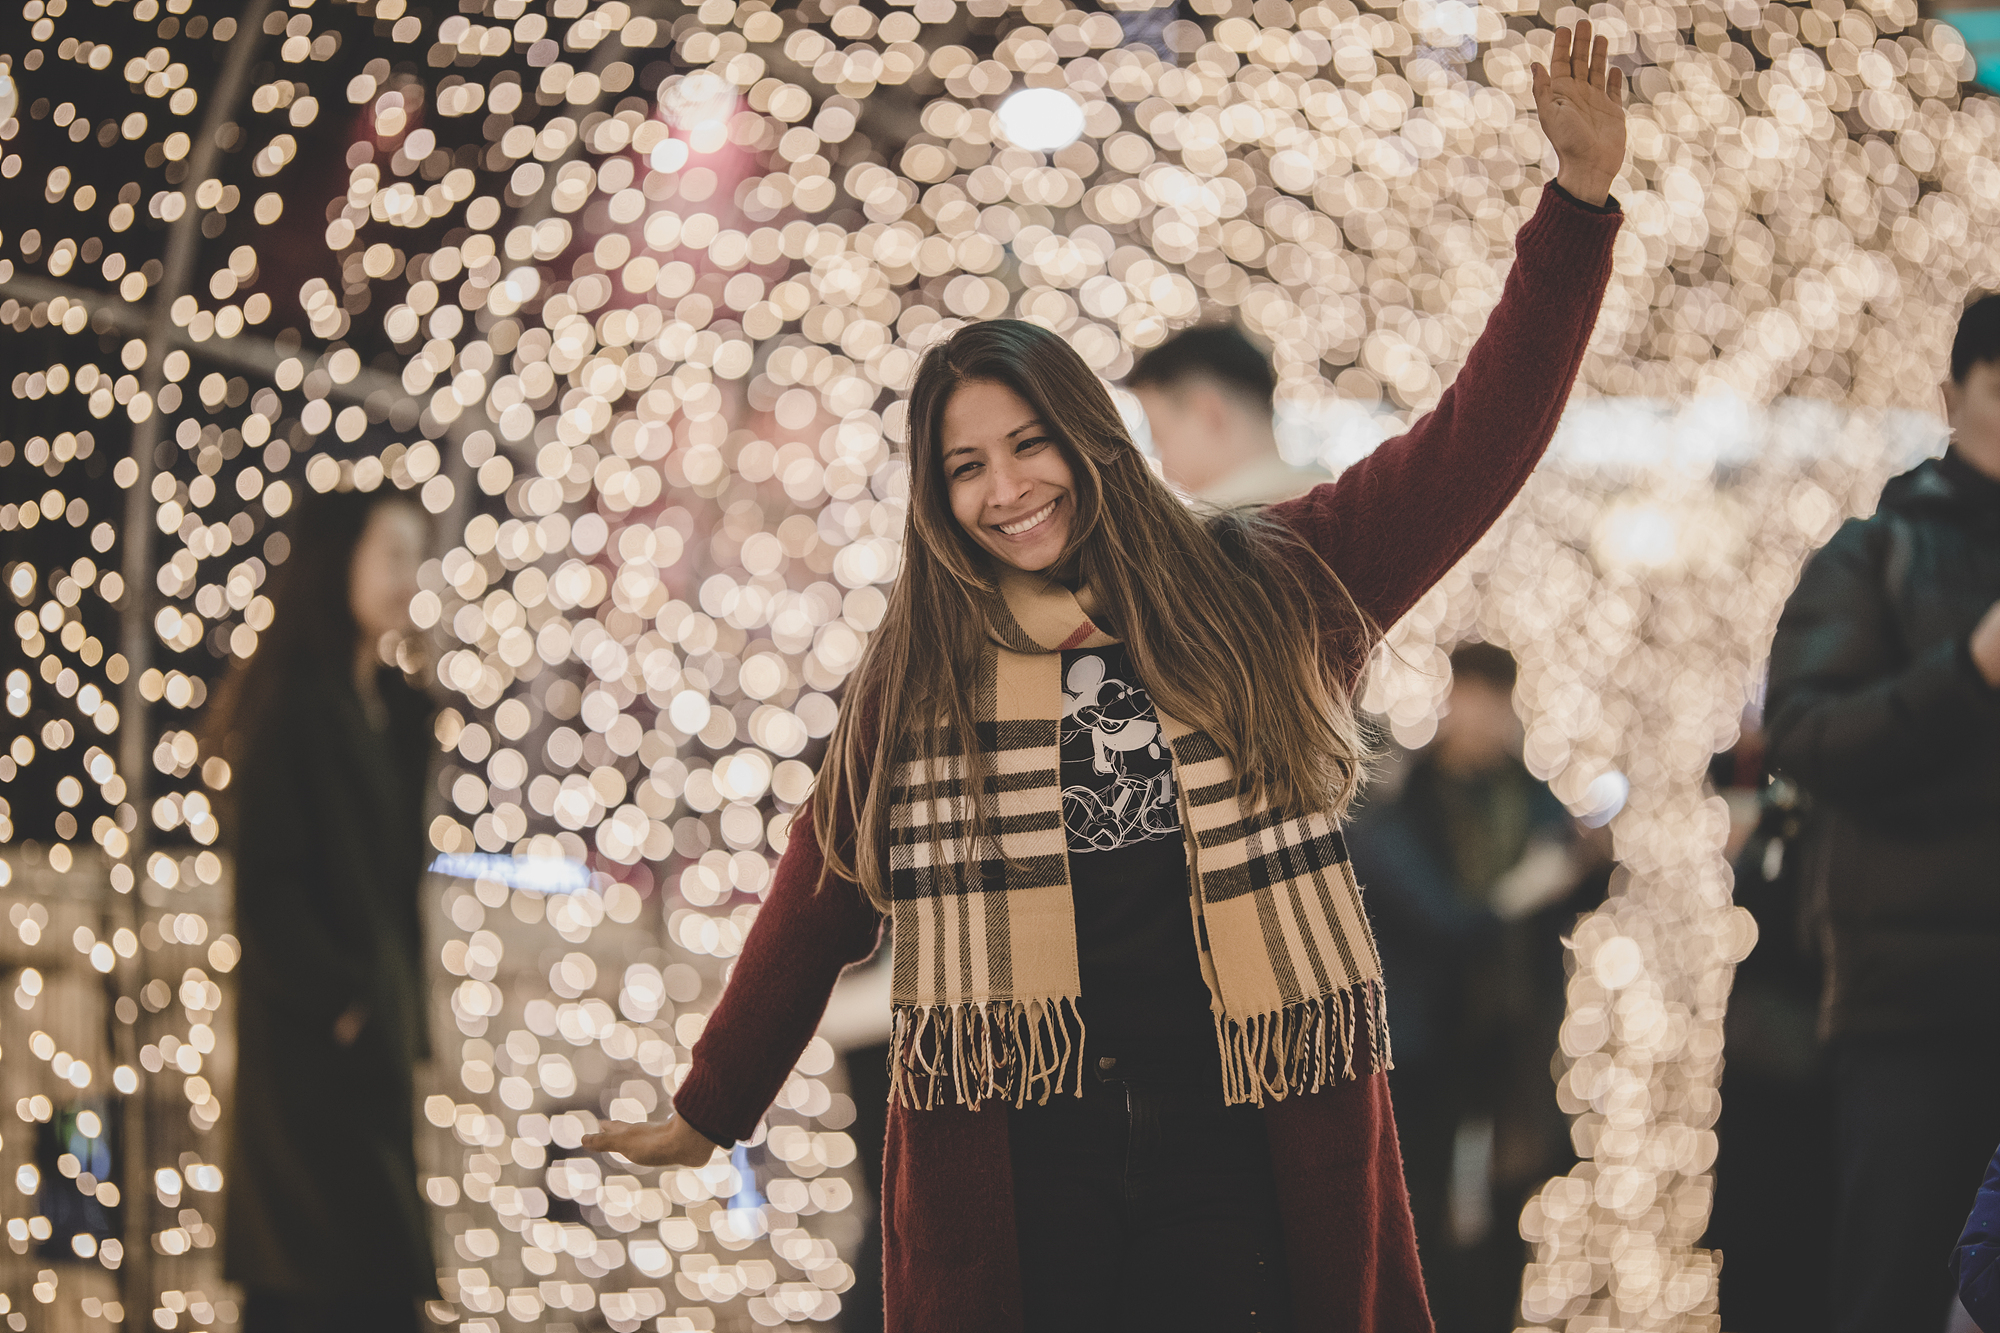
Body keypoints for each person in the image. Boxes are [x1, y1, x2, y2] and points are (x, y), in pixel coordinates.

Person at [586, 23, 1626, 1331]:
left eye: (1027, 445)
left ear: (1086, 440)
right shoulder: (921, 668)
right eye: (966, 467)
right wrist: (709, 1106)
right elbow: (822, 882)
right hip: (1022, 1175)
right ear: (936, 494)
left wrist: (1575, 211)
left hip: (1238, 1159)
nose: (1005, 488)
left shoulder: (1262, 587)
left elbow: (1476, 445)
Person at [1764, 292, 2000, 1333]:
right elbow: (1806, 737)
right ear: (1952, 398)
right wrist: (1970, 673)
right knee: (1901, 1290)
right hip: (1917, 1011)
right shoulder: (1874, 553)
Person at [206, 486, 438, 1333]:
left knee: (370, 1283)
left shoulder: (394, 710)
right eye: (390, 554)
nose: (407, 576)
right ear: (335, 559)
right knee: (316, 1285)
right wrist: (342, 997)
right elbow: (265, 889)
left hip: (367, 1047)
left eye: (414, 555)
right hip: (310, 1059)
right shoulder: (293, 707)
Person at [1345, 644, 1599, 1333]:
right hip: (1429, 1042)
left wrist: (1587, 861)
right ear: (1452, 699)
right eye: (1475, 699)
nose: (1485, 720)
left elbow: (1583, 885)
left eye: (1498, 704)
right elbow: (1437, 916)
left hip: (1509, 1042)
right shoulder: (1402, 796)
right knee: (1422, 1212)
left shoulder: (1531, 797)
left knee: (1499, 1216)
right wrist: (1520, 893)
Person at [1126, 325, 1331, 505]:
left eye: (1159, 438)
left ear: (1210, 413)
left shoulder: (1200, 537)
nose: (1162, 465)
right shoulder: (1338, 503)